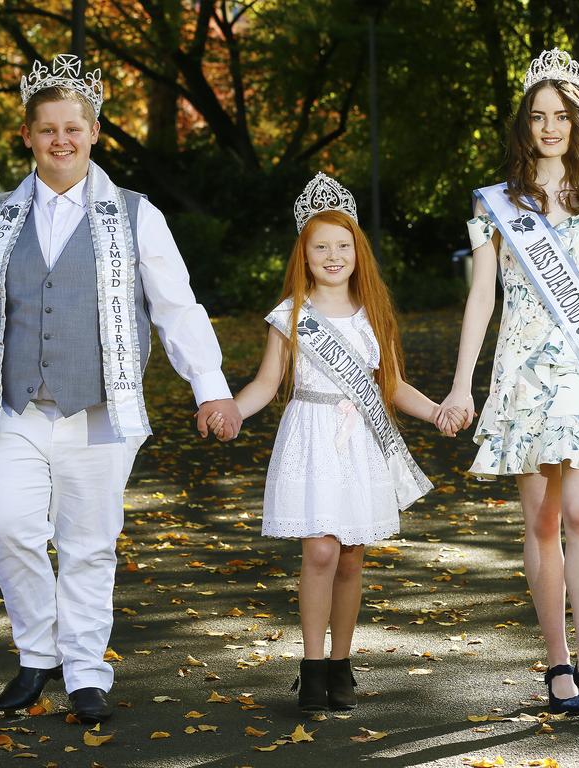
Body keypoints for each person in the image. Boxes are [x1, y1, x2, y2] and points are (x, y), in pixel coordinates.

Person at [0, 53, 241, 725]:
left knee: (90, 542)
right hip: (10, 408)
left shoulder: (135, 215)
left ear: (94, 132)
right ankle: (38, 653)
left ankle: (87, 671)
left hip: (99, 409)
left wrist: (209, 389)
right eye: (47, 129)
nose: (60, 140)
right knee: (6, 523)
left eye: (74, 127)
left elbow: (176, 306)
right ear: (28, 136)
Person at [436, 49, 579, 716]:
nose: (548, 127)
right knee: (544, 519)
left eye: (560, 116)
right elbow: (481, 300)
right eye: (537, 116)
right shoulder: (499, 203)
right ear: (526, 125)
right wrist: (463, 383)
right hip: (521, 377)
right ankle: (556, 661)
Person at [207, 173, 440, 714]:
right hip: (310, 437)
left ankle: (341, 664)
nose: (333, 256)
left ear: (357, 251)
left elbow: (394, 386)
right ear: (303, 253)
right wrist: (232, 411)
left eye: (343, 246)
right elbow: (267, 383)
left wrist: (436, 412)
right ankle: (311, 667)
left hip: (361, 442)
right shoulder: (291, 314)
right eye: (321, 247)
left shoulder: (375, 315)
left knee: (352, 557)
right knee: (320, 550)